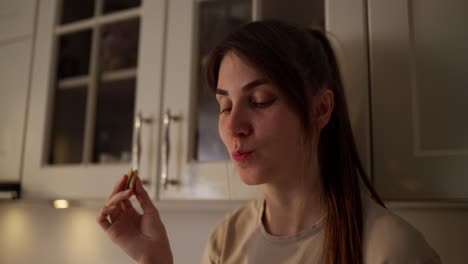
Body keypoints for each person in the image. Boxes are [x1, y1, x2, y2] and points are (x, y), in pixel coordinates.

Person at [97, 20, 441, 264]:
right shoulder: (226, 240)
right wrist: (154, 260)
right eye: (224, 106)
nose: (233, 126)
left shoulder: (392, 250)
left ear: (321, 109)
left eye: (260, 100)